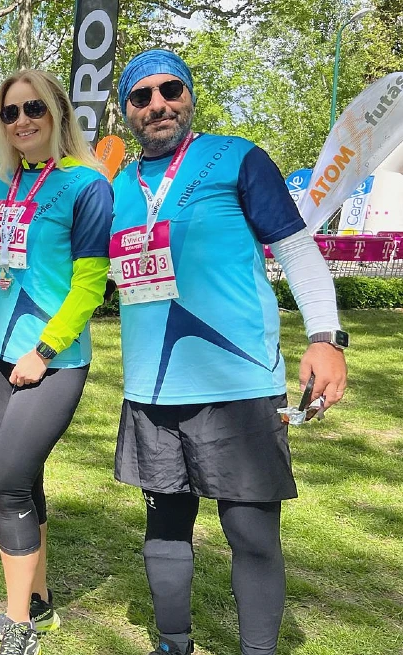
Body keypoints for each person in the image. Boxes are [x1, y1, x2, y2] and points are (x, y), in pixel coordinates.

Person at [111, 49, 348, 655]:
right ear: (127, 111)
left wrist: (325, 338)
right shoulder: (116, 186)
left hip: (236, 385)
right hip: (151, 390)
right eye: (142, 96)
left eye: (171, 90)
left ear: (189, 95)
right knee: (164, 528)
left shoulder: (236, 157)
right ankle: (173, 643)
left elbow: (295, 250)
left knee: (252, 535)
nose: (158, 104)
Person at [0, 69, 113, 655]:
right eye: (10, 113)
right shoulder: (7, 184)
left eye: (33, 108)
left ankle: (18, 628)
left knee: (4, 482)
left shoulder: (88, 185)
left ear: (58, 113)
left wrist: (44, 350)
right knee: (24, 477)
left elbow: (90, 284)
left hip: (50, 361)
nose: (22, 120)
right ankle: (38, 597)